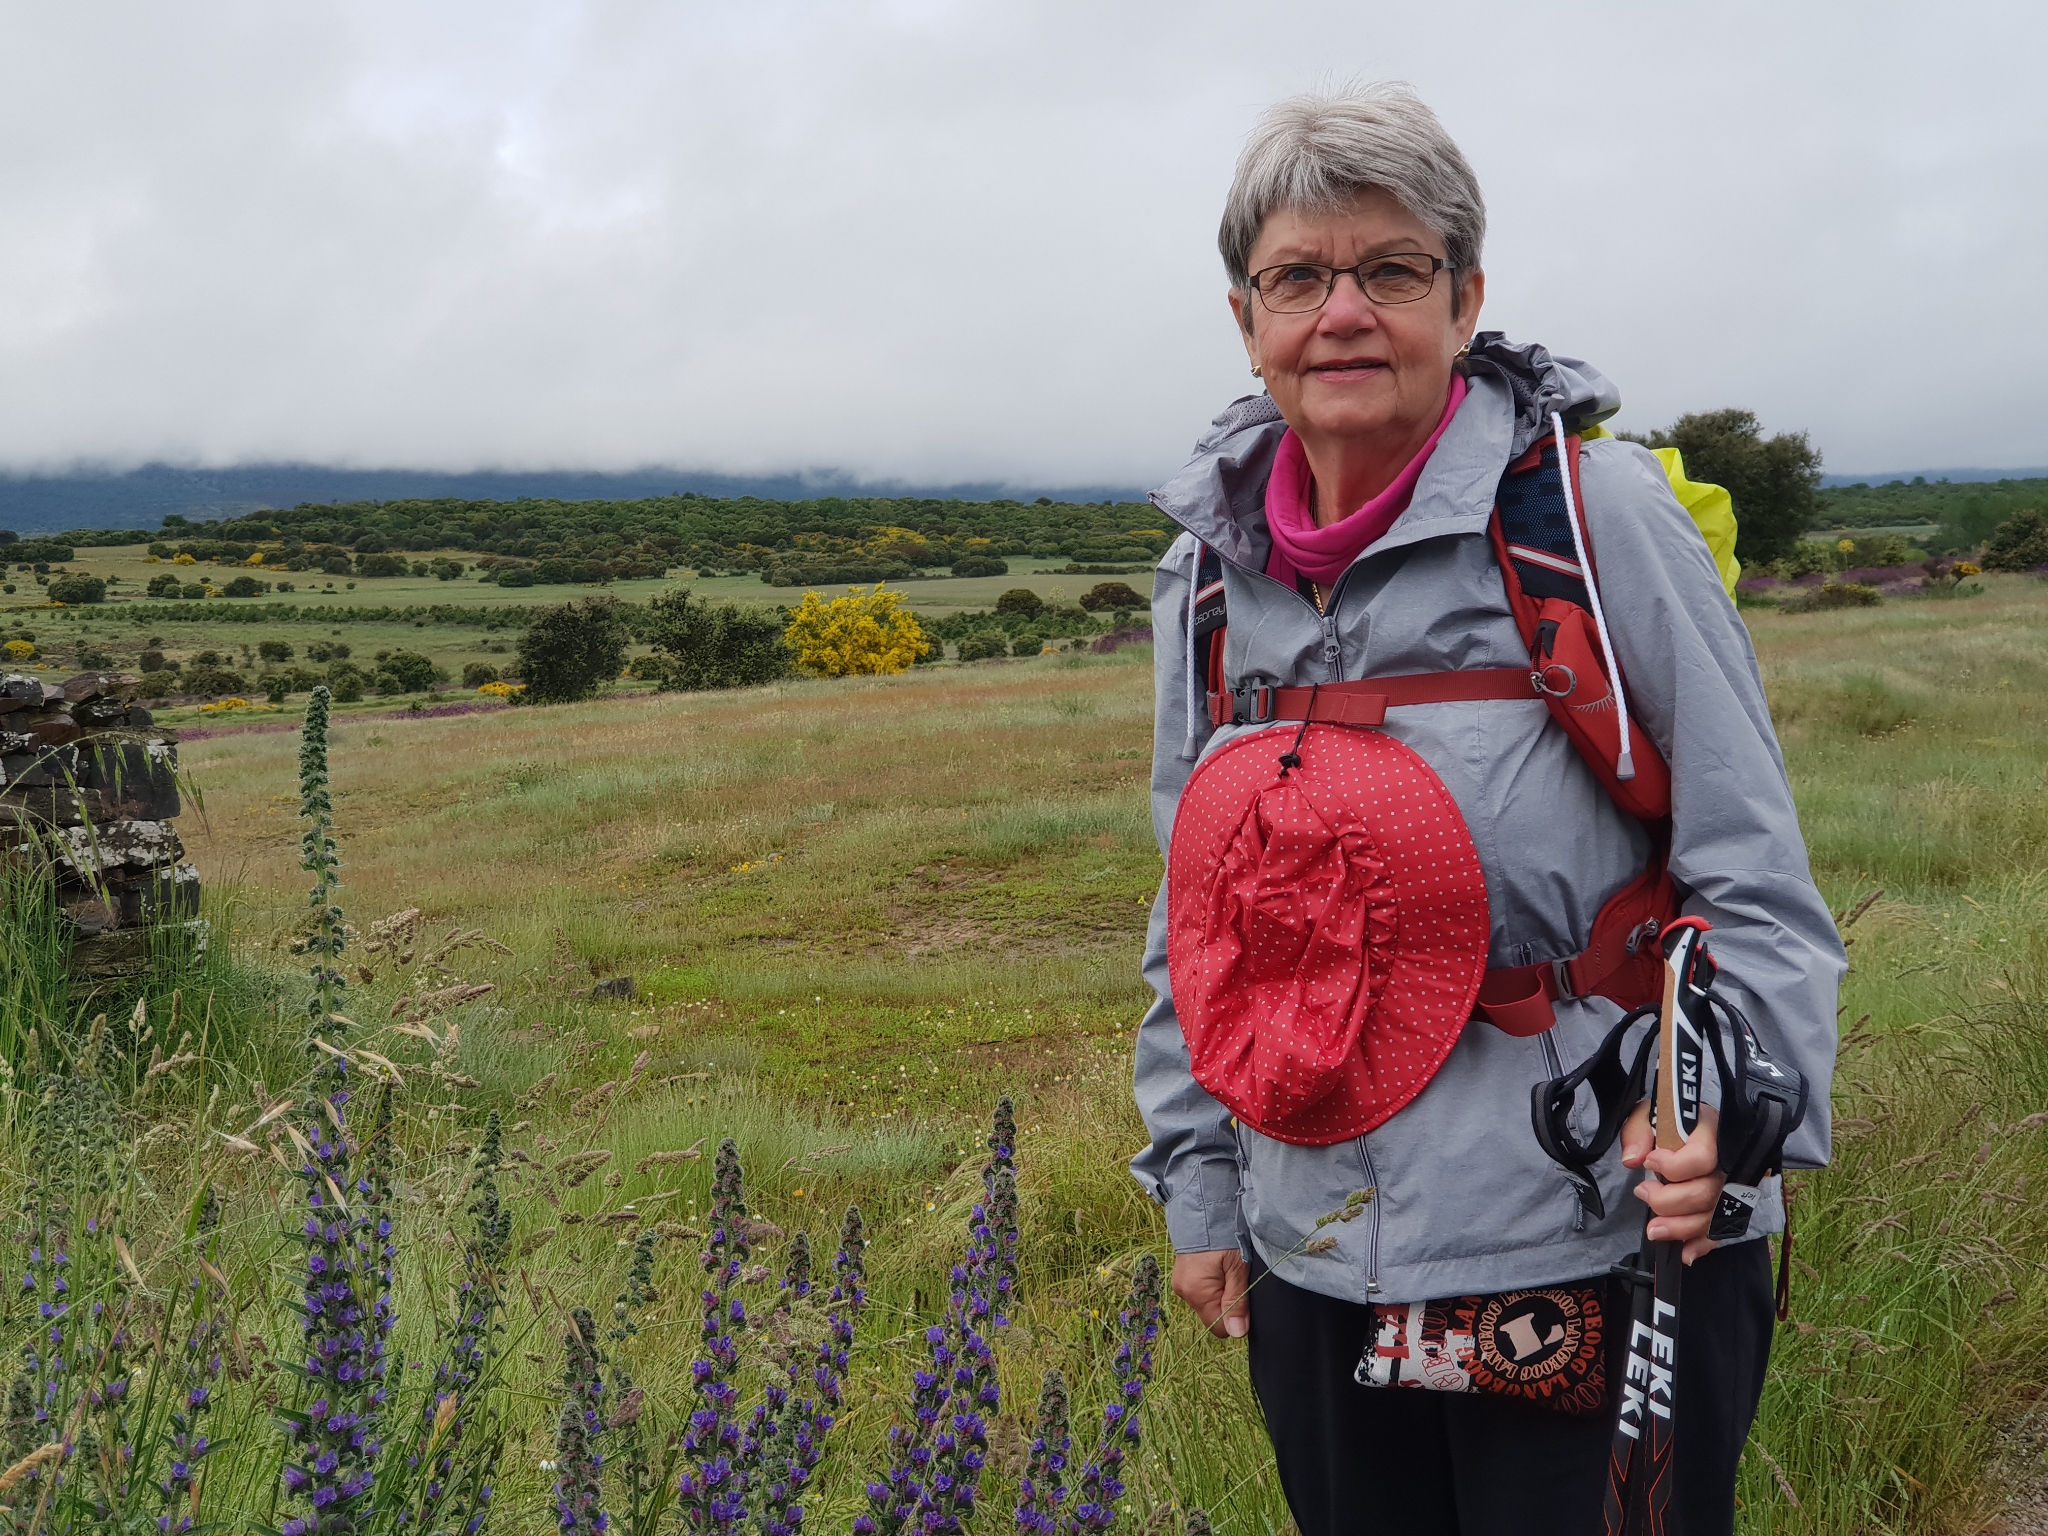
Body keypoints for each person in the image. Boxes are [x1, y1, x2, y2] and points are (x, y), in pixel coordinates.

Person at [1130, 83, 1842, 1536]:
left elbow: (1752, 870)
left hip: (1590, 1233)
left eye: (1392, 270)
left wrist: (1740, 1118)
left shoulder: (1590, 519)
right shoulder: (1207, 577)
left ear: (1464, 301)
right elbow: (1200, 925)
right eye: (1298, 277)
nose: (1343, 312)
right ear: (1247, 318)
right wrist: (1202, 1185)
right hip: (1318, 1249)